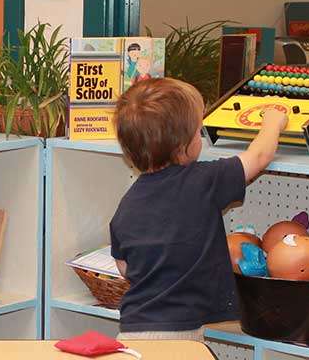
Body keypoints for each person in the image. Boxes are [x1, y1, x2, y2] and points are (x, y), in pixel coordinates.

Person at [109, 78, 287, 342]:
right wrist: (273, 122)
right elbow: (259, 156)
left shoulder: (127, 204)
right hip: (179, 335)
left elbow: (124, 267)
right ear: (183, 146)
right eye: (197, 132)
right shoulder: (205, 179)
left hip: (132, 330)